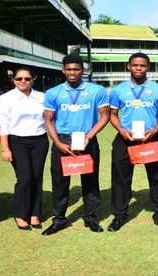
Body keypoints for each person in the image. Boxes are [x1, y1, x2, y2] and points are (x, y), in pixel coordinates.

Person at [41, 54, 110, 236]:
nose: (72, 73)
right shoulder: (53, 92)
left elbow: (105, 116)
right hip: (62, 140)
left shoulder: (97, 90)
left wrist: (89, 136)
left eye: (76, 69)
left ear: (83, 71)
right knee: (60, 182)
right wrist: (57, 143)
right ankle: (59, 220)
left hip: (87, 139)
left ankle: (90, 218)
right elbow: (48, 120)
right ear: (63, 70)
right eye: (69, 69)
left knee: (90, 180)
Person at [107, 53, 158, 232]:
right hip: (125, 139)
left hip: (151, 138)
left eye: (142, 65)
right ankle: (119, 216)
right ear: (128, 66)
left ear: (148, 67)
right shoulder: (118, 90)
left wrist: (156, 130)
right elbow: (112, 114)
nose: (138, 68)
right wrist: (121, 130)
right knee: (120, 179)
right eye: (135, 65)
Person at [0, 67, 48, 231]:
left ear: (33, 79)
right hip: (17, 141)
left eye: (27, 78)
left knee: (37, 177)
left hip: (40, 140)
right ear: (14, 80)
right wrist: (5, 148)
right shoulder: (6, 98)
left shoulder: (42, 97)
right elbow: (2, 123)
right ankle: (20, 213)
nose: (23, 81)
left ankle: (34, 213)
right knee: (25, 177)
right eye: (19, 79)